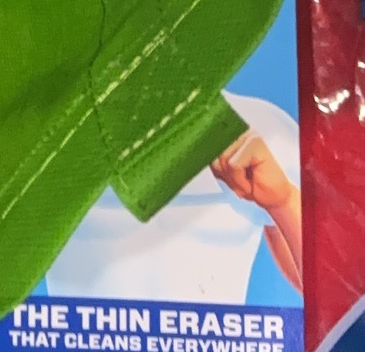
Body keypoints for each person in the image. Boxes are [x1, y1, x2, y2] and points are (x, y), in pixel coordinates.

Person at [45, 90, 302, 303]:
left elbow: (317, 294)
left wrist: (283, 200)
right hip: (84, 350)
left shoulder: (265, 129)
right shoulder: (51, 132)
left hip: (214, 350)